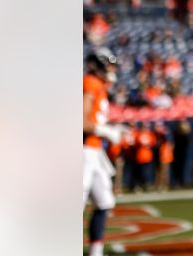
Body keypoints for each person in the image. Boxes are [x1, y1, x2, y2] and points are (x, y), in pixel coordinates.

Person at [84, 49, 123, 256]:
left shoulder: (99, 86)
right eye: (108, 65)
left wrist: (108, 130)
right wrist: (105, 130)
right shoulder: (90, 83)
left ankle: (95, 252)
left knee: (104, 201)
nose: (111, 70)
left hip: (94, 149)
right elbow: (82, 122)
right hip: (83, 150)